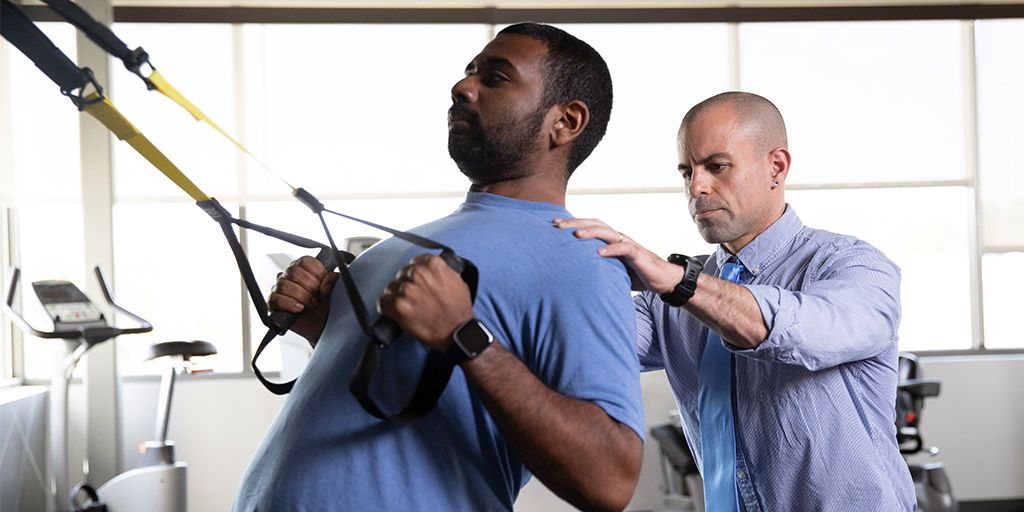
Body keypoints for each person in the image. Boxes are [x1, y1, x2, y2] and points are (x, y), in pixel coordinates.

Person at [232, 23, 644, 512]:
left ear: (565, 121)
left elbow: (610, 480)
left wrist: (463, 334)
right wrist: (323, 329)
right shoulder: (395, 248)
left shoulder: (580, 258)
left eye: (495, 78)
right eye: (469, 71)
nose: (462, 86)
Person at [552, 92, 917, 510]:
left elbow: (804, 329)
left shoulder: (852, 266)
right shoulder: (667, 303)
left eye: (717, 166)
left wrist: (679, 282)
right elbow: (571, 347)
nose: (697, 187)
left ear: (776, 167)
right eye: (687, 172)